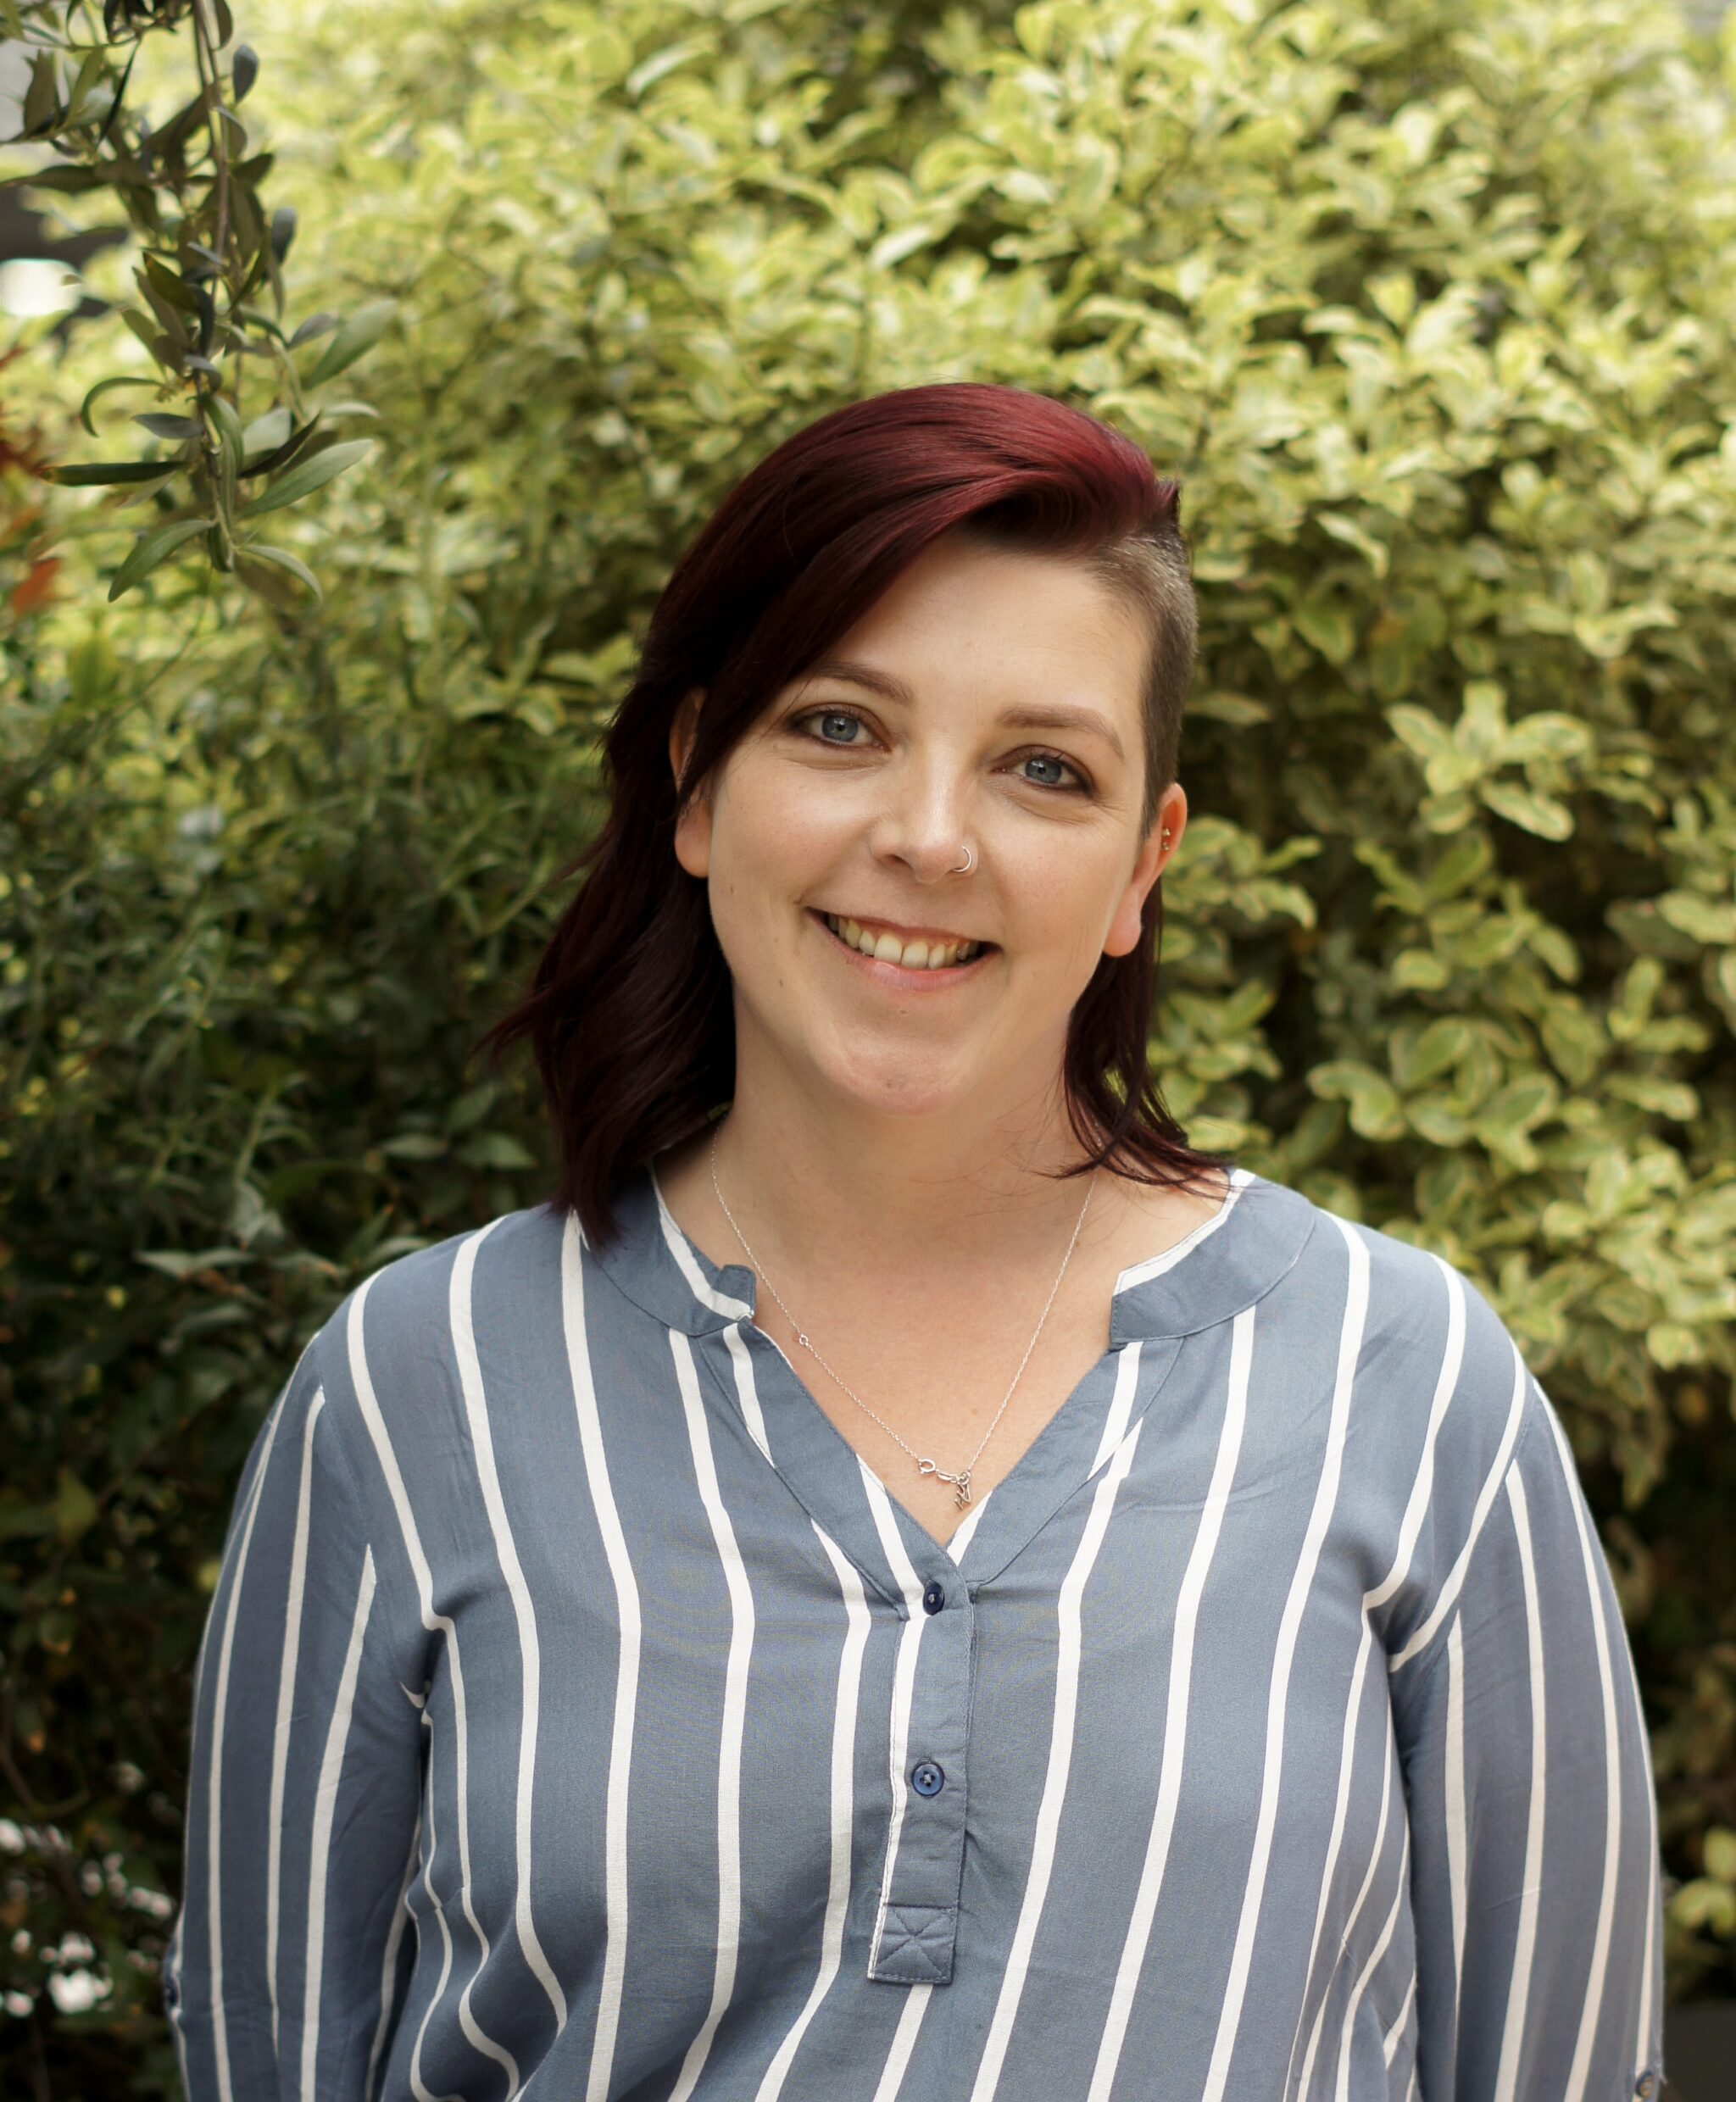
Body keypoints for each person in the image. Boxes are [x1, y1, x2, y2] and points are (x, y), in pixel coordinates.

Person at [164, 383, 1665, 2102]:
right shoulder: (410, 1391)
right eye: (838, 726)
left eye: (1045, 767)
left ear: (1137, 871)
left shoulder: (1406, 1384)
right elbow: (267, 2052)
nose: (930, 837)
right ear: (697, 781)